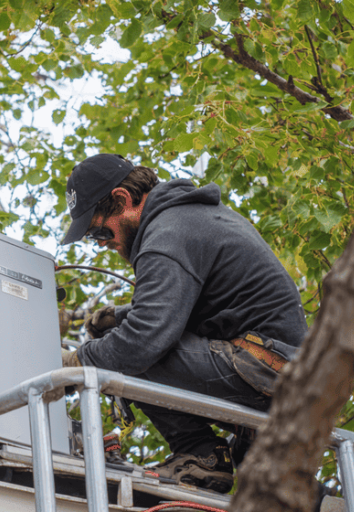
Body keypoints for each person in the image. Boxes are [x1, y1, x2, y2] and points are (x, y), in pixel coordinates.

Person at [60, 153, 307, 493]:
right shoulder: (185, 219)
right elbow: (185, 313)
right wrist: (119, 315)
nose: (103, 244)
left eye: (99, 231)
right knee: (117, 333)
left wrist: (75, 365)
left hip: (266, 370)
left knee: (123, 346)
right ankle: (216, 455)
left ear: (123, 199)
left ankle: (200, 454)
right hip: (279, 371)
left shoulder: (167, 233)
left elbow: (145, 338)